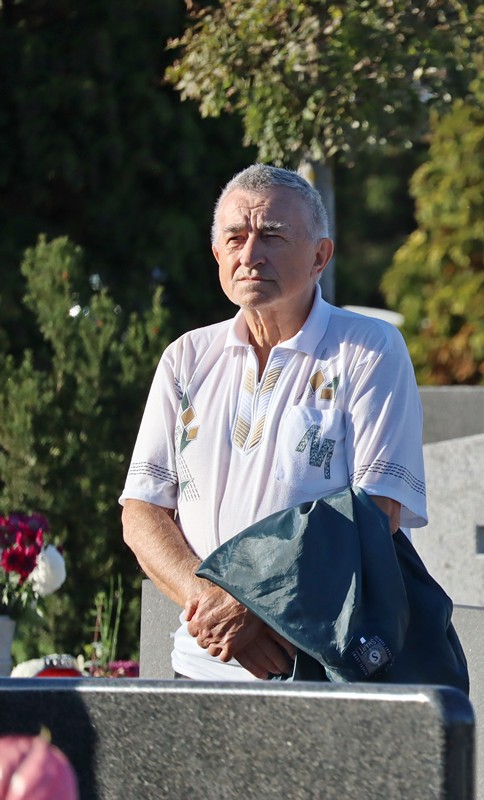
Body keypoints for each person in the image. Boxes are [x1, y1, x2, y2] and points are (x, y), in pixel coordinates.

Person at [119, 164, 427, 680]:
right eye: (234, 238)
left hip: (320, 668)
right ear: (217, 255)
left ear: (320, 256)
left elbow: (377, 511)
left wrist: (256, 607)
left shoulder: (368, 349)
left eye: (273, 236)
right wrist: (214, 607)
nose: (250, 254)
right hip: (201, 665)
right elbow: (142, 511)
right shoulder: (186, 358)